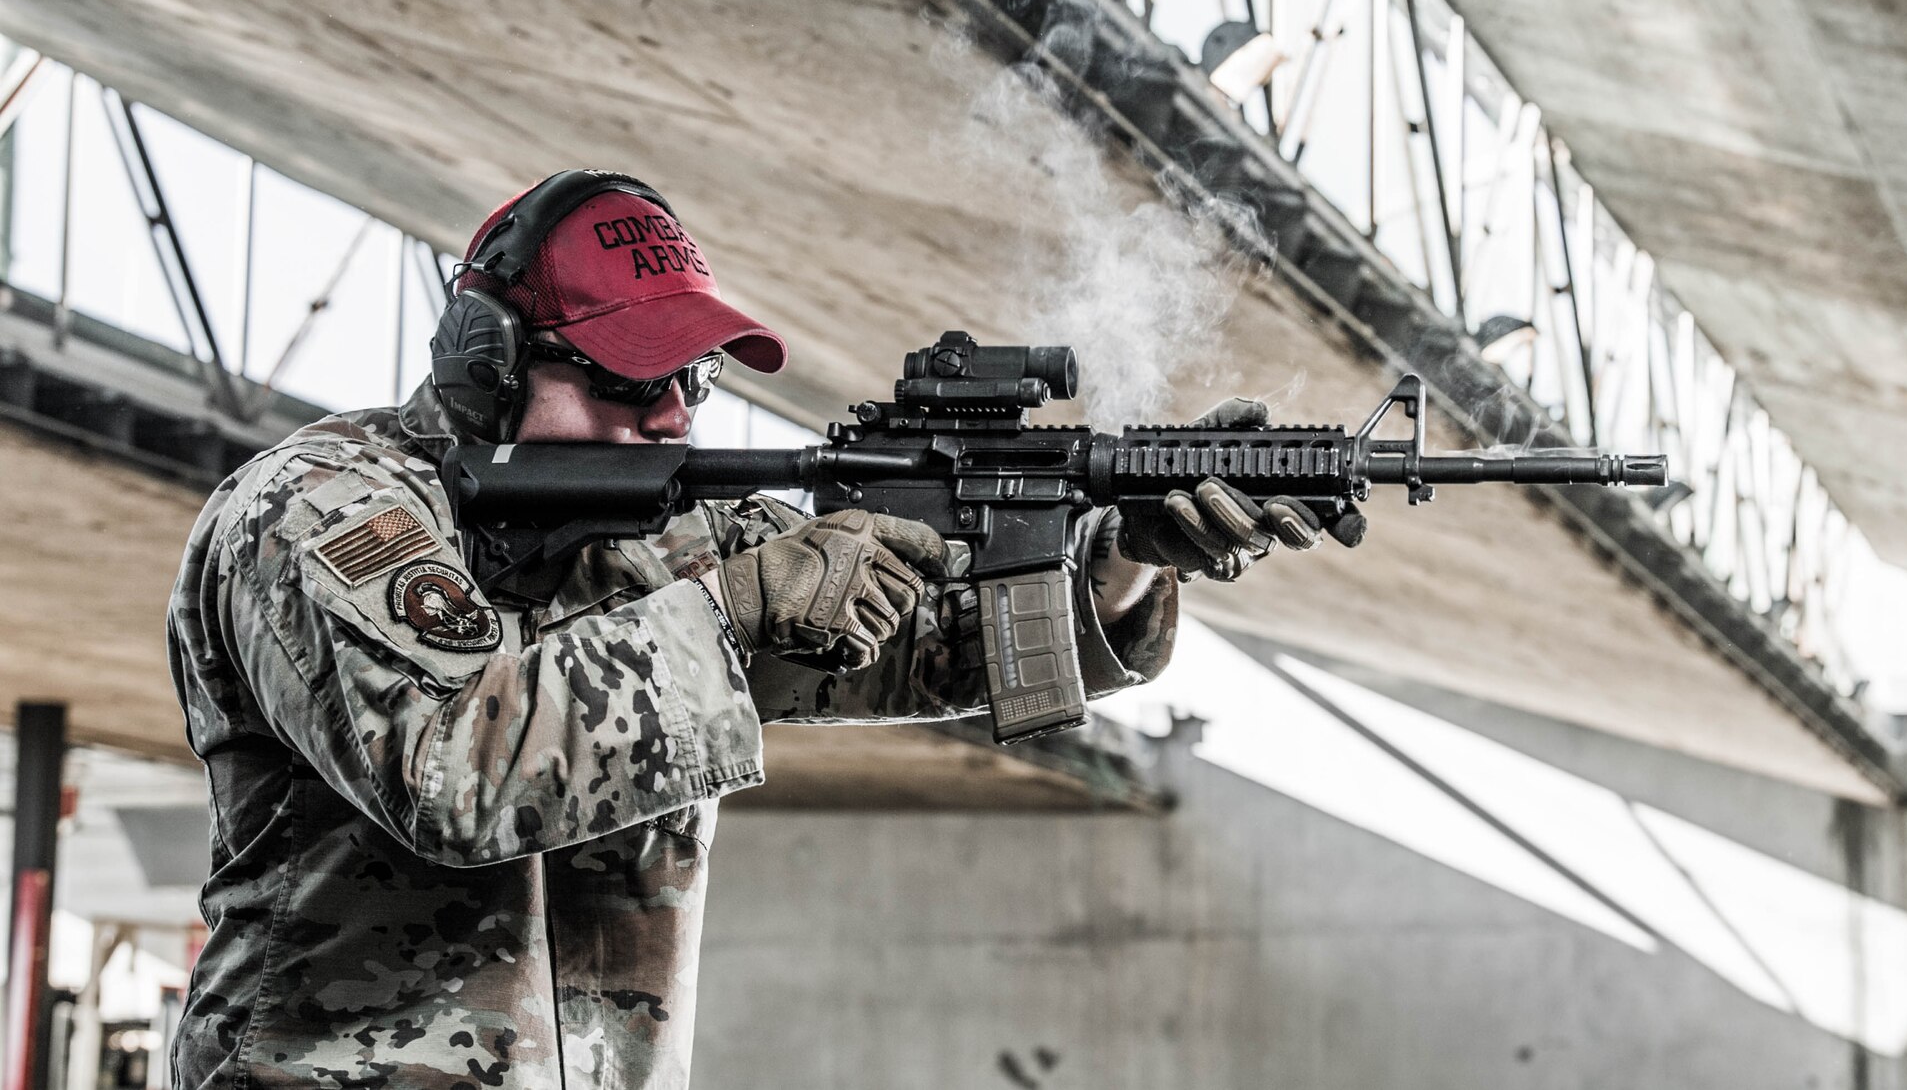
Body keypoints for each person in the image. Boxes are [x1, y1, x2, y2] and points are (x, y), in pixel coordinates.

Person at [165, 170, 1327, 1089]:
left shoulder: (654, 535)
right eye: (628, 377)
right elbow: (453, 769)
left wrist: (1121, 554)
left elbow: (942, 646)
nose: (670, 413)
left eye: (691, 378)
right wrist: (736, 609)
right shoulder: (321, 509)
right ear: (488, 363)